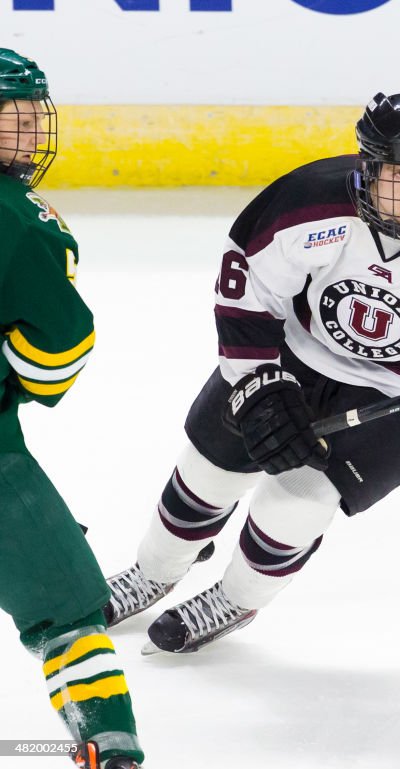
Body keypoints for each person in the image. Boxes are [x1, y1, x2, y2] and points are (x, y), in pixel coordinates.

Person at [103, 89, 400, 655]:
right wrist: (259, 387)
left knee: (296, 503)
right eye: (397, 174)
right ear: (367, 170)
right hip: (297, 356)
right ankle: (154, 571)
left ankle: (235, 599)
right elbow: (246, 295)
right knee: (208, 468)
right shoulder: (308, 205)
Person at [0, 48, 146, 769]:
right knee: (69, 607)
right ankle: (108, 746)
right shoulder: (24, 221)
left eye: (32, 118)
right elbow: (60, 344)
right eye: (13, 118)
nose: (28, 134)